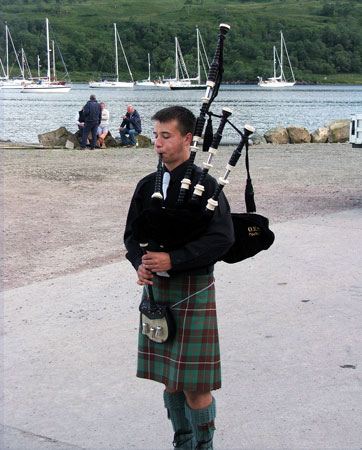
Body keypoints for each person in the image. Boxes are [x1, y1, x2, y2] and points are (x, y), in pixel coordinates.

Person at [124, 106, 235, 449]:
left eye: (165, 136)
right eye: (155, 135)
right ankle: (183, 442)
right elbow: (132, 235)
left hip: (192, 289)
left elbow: (222, 239)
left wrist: (175, 257)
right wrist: (140, 264)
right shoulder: (147, 186)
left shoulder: (207, 185)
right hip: (158, 292)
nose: (157, 142)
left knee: (195, 385)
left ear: (188, 139)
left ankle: (205, 446)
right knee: (170, 380)